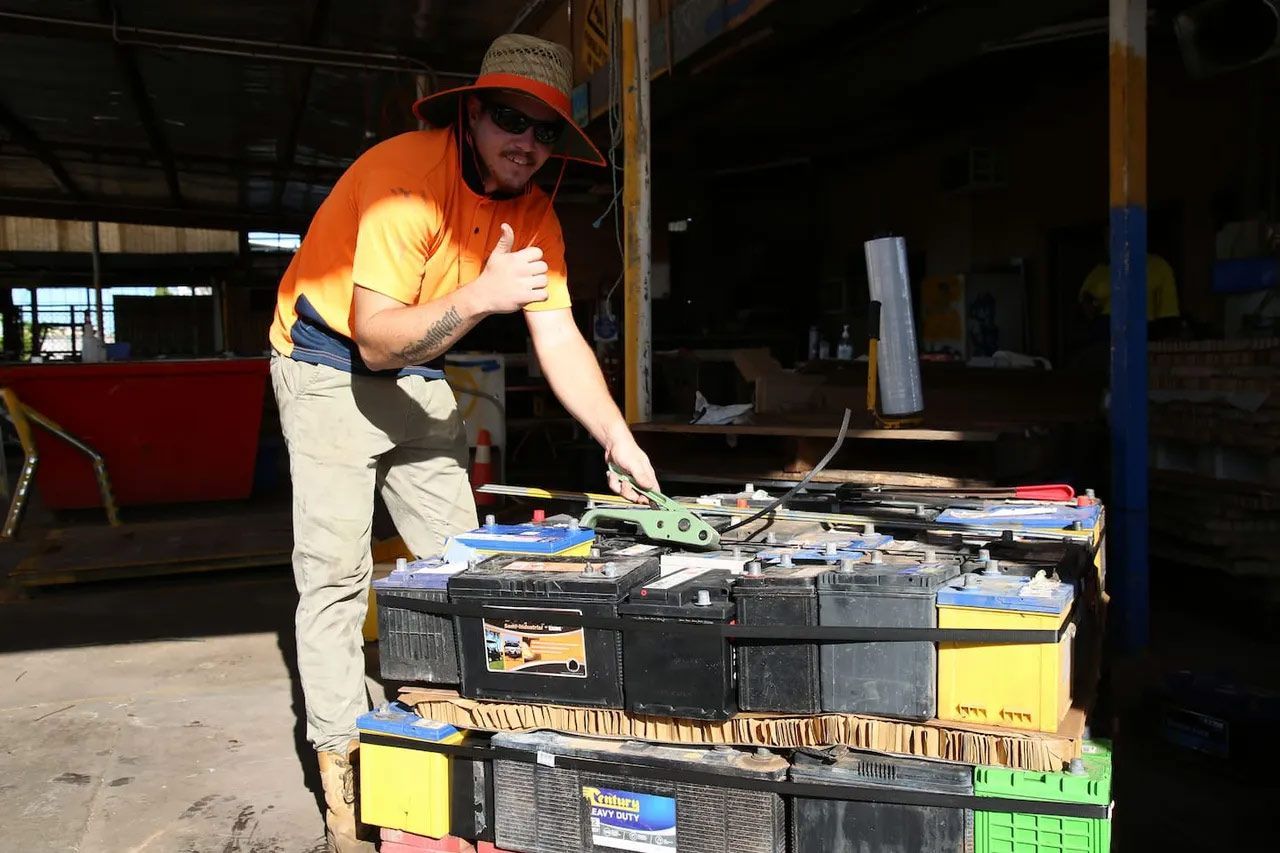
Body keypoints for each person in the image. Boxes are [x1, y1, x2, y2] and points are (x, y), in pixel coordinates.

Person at [267, 34, 658, 852]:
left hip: (416, 366)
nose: (527, 143)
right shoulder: (403, 182)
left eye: (546, 130)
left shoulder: (535, 211)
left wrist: (618, 439)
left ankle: (467, 732)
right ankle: (343, 771)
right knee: (336, 578)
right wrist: (483, 293)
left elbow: (559, 339)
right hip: (328, 359)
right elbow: (374, 343)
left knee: (462, 564)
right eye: (512, 119)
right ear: (473, 114)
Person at [1078, 239, 1182, 340]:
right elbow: (1085, 299)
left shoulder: (1157, 266)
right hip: (1107, 328)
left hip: (1145, 327)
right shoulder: (1100, 271)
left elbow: (1169, 314)